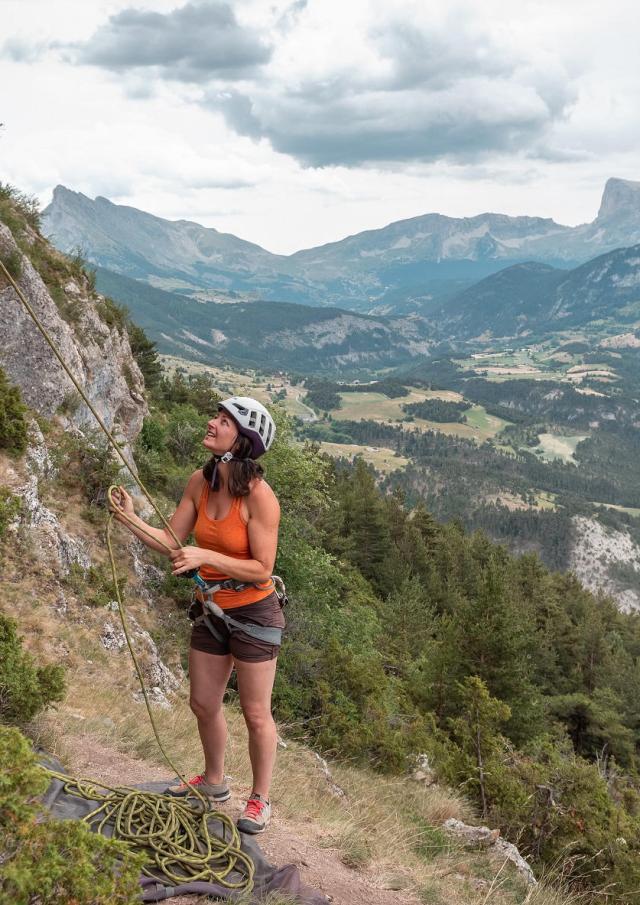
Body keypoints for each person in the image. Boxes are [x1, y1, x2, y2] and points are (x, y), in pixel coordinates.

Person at [109, 396, 283, 834]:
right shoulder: (199, 483)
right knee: (203, 703)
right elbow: (173, 541)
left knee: (255, 712)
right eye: (217, 417)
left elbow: (262, 568)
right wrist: (130, 518)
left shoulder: (260, 499)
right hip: (211, 610)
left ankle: (260, 799)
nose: (211, 423)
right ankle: (214, 782)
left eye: (223, 422)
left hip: (254, 612)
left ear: (240, 442)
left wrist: (205, 554)